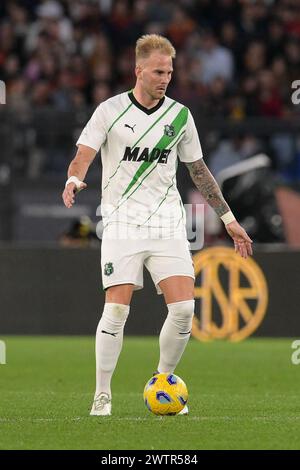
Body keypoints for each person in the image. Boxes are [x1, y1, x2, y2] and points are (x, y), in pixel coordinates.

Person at [62, 34, 252, 416]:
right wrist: (73, 179)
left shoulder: (181, 116)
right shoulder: (109, 110)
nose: (165, 78)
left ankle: (163, 382)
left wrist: (228, 218)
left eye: (169, 71)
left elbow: (199, 171)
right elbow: (84, 154)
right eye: (158, 71)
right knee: (116, 312)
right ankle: (102, 394)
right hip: (122, 222)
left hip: (167, 222)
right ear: (139, 71)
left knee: (184, 310)